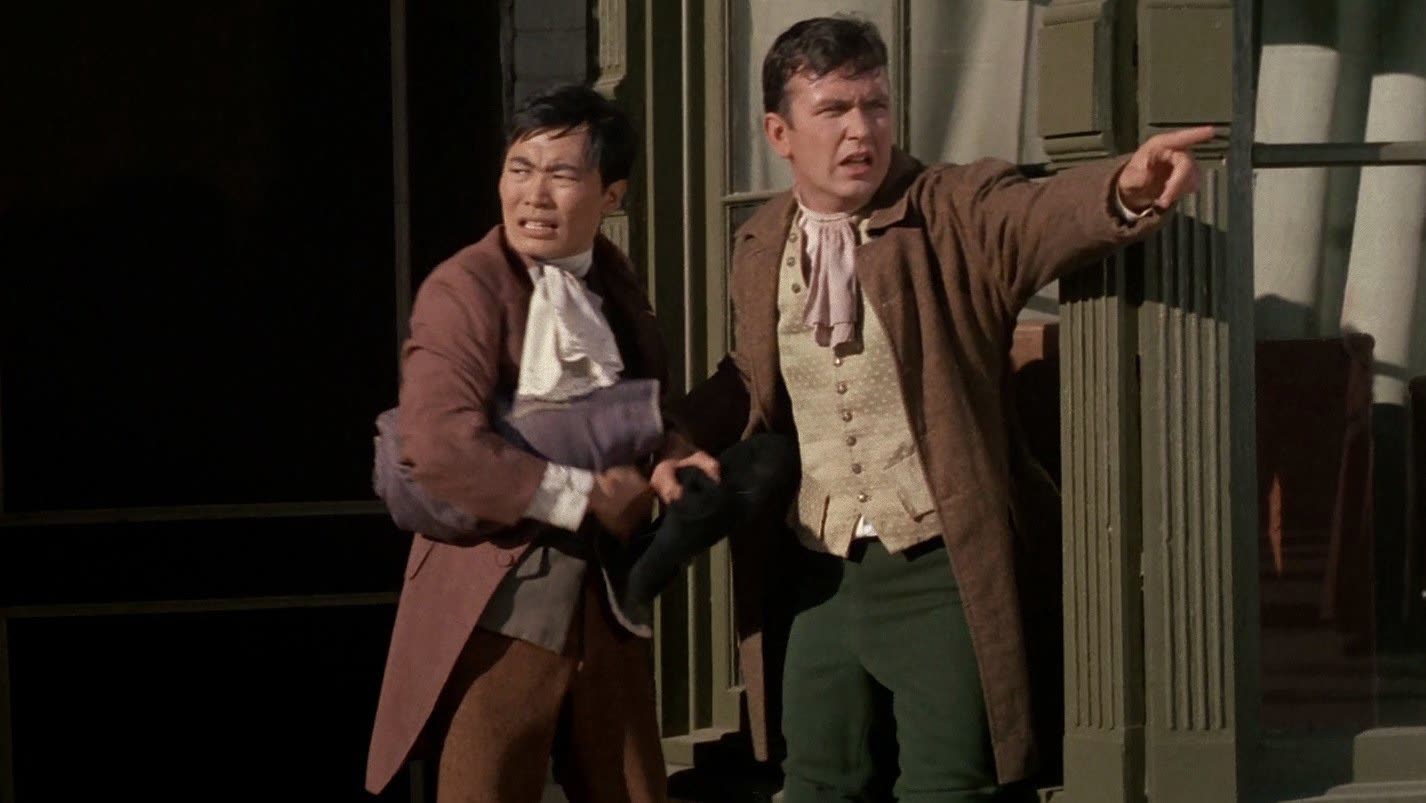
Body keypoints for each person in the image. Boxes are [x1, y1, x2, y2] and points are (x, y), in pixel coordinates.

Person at [652, 16, 1213, 802]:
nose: (861, 130)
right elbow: (752, 374)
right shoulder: (761, 241)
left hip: (939, 565)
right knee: (814, 781)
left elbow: (1037, 215)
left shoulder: (950, 210)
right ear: (780, 133)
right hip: (818, 570)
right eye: (834, 109)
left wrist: (1125, 189)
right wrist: (673, 434)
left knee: (949, 786)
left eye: (876, 105)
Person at [364, 83, 670, 803]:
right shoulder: (465, 287)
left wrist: (674, 449)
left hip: (606, 600)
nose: (534, 195)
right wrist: (582, 496)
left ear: (612, 195)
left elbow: (638, 408)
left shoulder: (615, 282)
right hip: (499, 598)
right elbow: (439, 445)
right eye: (519, 169)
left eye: (561, 174)